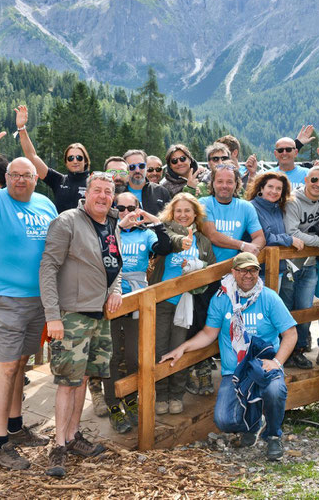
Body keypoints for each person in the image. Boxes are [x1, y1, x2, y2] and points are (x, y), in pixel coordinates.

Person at [0, 114, 55, 470]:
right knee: (5, 368)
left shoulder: (46, 205)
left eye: (27, 175)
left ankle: (16, 427)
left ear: (36, 179)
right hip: (3, 300)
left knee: (21, 363)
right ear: (5, 179)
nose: (21, 180)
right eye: (14, 175)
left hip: (36, 300)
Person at [161, 252, 298, 462]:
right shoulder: (221, 299)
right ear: (233, 272)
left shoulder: (269, 297)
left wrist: (277, 362)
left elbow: (291, 333)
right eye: (242, 270)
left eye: (253, 270)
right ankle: (253, 424)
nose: (248, 275)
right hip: (234, 371)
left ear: (258, 272)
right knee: (223, 420)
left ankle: (273, 435)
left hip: (264, 366)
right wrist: (183, 348)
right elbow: (209, 333)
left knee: (275, 390)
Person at [39, 172, 124, 477]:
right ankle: (59, 445)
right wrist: (52, 315)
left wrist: (116, 291)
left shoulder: (111, 224)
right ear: (86, 194)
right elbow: (48, 267)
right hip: (71, 315)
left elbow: (115, 266)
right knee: (67, 382)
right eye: (97, 191)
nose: (103, 196)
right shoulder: (67, 222)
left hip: (99, 316)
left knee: (85, 378)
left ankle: (74, 436)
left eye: (108, 192)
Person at [105, 192, 172, 430]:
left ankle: (132, 399)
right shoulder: (107, 231)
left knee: (134, 355)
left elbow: (165, 246)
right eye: (120, 208)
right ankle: (113, 405)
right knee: (111, 356)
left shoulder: (146, 234)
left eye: (130, 208)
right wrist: (116, 227)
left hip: (136, 300)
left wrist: (153, 219)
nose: (125, 212)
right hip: (109, 299)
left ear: (138, 208)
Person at [151, 193, 218, 401]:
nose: (182, 215)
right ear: (172, 212)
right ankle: (161, 395)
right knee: (159, 347)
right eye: (178, 210)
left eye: (187, 211)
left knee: (179, 348)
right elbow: (165, 243)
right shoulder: (162, 233)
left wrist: (197, 267)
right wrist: (181, 240)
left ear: (195, 214)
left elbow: (211, 271)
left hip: (186, 304)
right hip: (162, 301)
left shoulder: (203, 241)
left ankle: (176, 395)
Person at [284, 166, 319, 368]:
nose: (318, 184)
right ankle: (284, 351)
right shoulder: (292, 201)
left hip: (311, 264)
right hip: (290, 264)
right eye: (314, 179)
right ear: (306, 179)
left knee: (305, 310)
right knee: (287, 308)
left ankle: (298, 350)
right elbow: (292, 232)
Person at [15, 105, 90, 213]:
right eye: (70, 158)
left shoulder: (94, 182)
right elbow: (32, 156)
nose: (75, 161)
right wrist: (21, 128)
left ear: (85, 160)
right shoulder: (58, 180)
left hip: (86, 229)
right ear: (66, 162)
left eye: (79, 157)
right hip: (61, 229)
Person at [246, 171, 304, 284]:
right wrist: (290, 239)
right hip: (258, 272)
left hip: (278, 268)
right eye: (270, 186)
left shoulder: (279, 208)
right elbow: (265, 237)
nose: (274, 191)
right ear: (261, 188)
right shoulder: (252, 207)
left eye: (278, 188)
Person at [199, 163, 265, 260]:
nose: (224, 186)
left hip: (235, 267)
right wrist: (242, 245)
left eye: (229, 182)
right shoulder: (204, 203)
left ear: (236, 184)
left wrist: (247, 255)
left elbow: (260, 237)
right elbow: (212, 236)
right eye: (220, 181)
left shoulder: (246, 207)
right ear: (212, 183)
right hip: (207, 269)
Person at [122, 149, 171, 215]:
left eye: (141, 166)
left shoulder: (161, 192)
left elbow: (169, 219)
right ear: (126, 169)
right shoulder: (119, 193)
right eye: (132, 167)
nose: (137, 170)